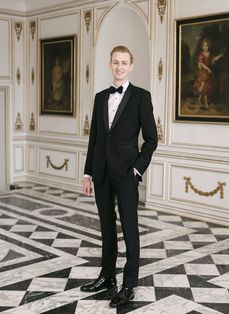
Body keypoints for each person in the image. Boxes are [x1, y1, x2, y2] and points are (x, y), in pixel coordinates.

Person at [80, 45, 158, 307]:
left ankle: (129, 284)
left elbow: (151, 139)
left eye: (124, 62)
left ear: (131, 65)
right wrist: (87, 172)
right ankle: (107, 276)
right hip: (101, 172)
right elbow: (95, 138)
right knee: (106, 227)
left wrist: (137, 169)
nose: (119, 67)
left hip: (126, 173)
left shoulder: (141, 97)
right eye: (115, 62)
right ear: (110, 64)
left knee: (130, 229)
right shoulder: (100, 97)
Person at [193, 38, 224, 110]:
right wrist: (207, 69)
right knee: (205, 87)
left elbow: (214, 59)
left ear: (209, 46)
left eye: (206, 46)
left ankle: (200, 98)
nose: (205, 47)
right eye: (204, 46)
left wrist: (220, 55)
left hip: (209, 72)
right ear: (202, 47)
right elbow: (201, 64)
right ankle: (206, 103)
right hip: (204, 71)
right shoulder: (201, 54)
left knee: (206, 88)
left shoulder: (210, 54)